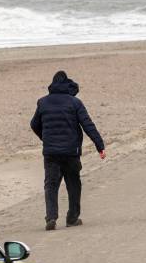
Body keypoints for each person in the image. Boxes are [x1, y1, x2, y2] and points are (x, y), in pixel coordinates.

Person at [30, 70, 106, 230]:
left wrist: (45, 138)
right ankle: (72, 218)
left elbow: (34, 124)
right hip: (71, 151)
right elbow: (88, 125)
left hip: (51, 153)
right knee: (73, 184)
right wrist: (100, 146)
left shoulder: (42, 102)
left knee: (50, 185)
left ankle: (51, 217)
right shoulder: (75, 102)